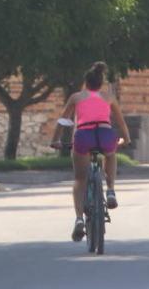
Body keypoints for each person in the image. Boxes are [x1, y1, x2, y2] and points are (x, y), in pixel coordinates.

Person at [51, 61, 131, 242]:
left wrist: (54, 140)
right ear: (101, 83)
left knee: (80, 179)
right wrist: (126, 139)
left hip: (84, 135)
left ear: (85, 82)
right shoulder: (109, 97)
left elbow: (63, 121)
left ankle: (79, 219)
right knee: (110, 155)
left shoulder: (76, 97)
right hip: (104, 133)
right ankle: (110, 190)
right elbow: (120, 122)